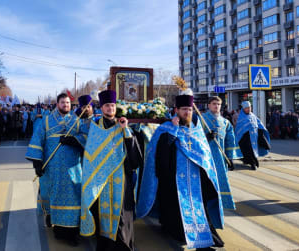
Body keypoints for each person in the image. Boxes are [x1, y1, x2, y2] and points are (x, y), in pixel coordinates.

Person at [137, 89, 225, 250]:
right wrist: (174, 132)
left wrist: (207, 141)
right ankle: (177, 231)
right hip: (173, 178)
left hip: (196, 178)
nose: (187, 112)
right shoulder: (166, 128)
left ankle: (204, 238)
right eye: (184, 109)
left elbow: (203, 153)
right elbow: (159, 152)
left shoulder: (196, 129)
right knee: (175, 210)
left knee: (199, 207)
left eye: (189, 109)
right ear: (176, 110)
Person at [80, 90, 143, 251]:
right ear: (101, 108)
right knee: (103, 215)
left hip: (121, 179)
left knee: (121, 216)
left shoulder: (123, 126)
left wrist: (126, 131)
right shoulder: (95, 129)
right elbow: (90, 157)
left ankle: (123, 246)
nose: (110, 108)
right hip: (101, 180)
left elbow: (135, 159)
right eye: (107, 105)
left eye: (113, 105)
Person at [26, 93, 86, 246]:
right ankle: (56, 224)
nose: (66, 105)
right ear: (57, 104)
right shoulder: (46, 121)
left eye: (68, 103)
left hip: (73, 170)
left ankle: (70, 231)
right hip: (52, 168)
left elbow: (86, 137)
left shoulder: (77, 121)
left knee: (74, 198)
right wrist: (37, 164)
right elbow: (37, 140)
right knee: (52, 194)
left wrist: (73, 140)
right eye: (63, 103)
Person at [202, 96, 242, 211]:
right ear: (209, 105)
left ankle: (217, 208)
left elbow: (230, 141)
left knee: (219, 185)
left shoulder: (225, 122)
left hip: (220, 159)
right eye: (214, 103)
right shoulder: (201, 119)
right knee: (206, 186)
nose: (216, 106)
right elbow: (194, 137)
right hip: (206, 158)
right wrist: (206, 137)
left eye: (218, 104)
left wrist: (231, 159)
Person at [235, 101, 271, 170]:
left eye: (249, 107)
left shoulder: (253, 115)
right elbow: (239, 129)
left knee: (254, 150)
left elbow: (259, 125)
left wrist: (261, 133)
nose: (248, 109)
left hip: (254, 137)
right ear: (243, 109)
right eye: (247, 108)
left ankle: (254, 162)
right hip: (245, 139)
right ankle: (252, 163)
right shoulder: (241, 117)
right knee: (248, 151)